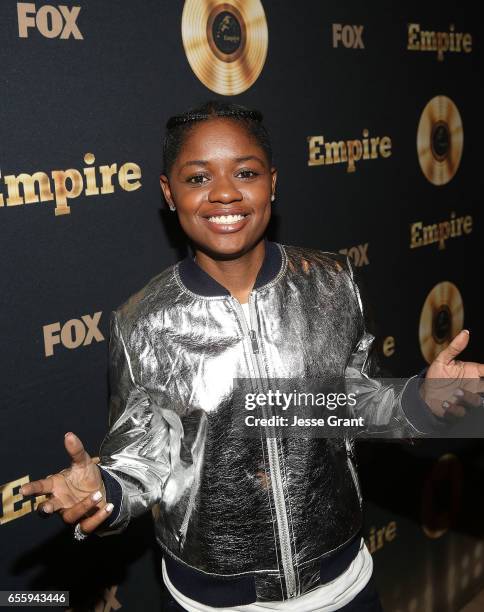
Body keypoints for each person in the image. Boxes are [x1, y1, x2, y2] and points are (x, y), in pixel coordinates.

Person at [20, 100, 484, 611]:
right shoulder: (142, 322)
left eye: (245, 172)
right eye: (198, 178)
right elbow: (142, 462)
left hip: (343, 584)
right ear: (168, 193)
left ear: (273, 183)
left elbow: (358, 404)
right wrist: (104, 490)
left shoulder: (334, 282)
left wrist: (420, 398)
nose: (224, 193)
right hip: (209, 602)